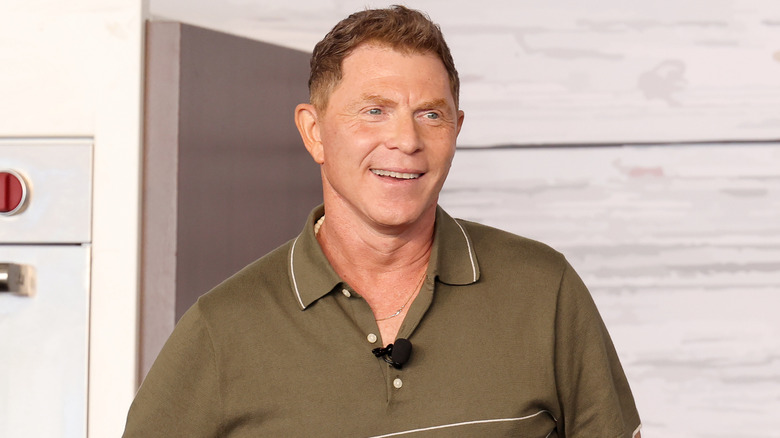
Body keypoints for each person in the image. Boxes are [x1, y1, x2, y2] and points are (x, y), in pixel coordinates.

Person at [123, 6, 641, 437]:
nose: (407, 141)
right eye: (374, 110)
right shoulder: (222, 330)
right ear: (314, 131)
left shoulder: (544, 291)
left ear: (457, 129)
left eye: (431, 114)